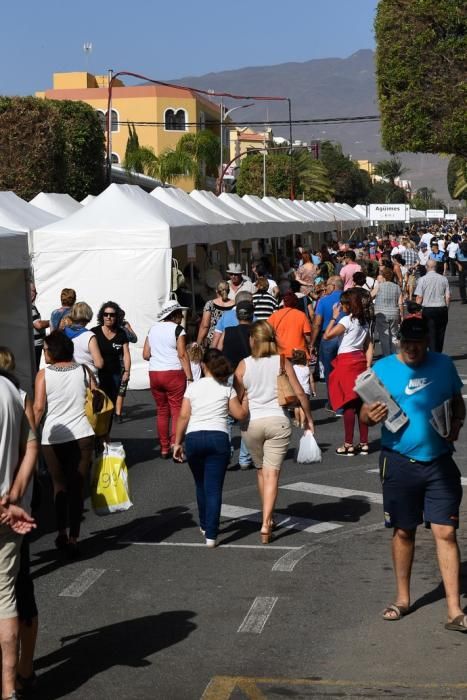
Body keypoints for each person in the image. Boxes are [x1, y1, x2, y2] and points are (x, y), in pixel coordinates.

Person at [360, 317, 467, 632]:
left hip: (439, 462)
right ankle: (402, 598)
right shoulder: (383, 369)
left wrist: (456, 424)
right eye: (407, 342)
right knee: (404, 531)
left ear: (426, 343)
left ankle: (454, 610)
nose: (413, 348)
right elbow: (365, 414)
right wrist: (370, 414)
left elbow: (458, 405)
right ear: (399, 341)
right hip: (399, 461)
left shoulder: (443, 366)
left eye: (418, 343)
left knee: (445, 532)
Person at [234, 321, 314, 544]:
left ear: (253, 340)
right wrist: (308, 418)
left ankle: (266, 516)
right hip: (278, 421)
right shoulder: (281, 361)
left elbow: (237, 397)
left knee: (261, 471)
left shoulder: (243, 365)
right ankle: (266, 523)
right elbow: (299, 392)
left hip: (252, 424)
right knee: (272, 474)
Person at [173, 349, 248, 547]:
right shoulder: (226, 388)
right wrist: (246, 399)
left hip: (194, 437)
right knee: (214, 488)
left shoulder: (193, 388)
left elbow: (183, 416)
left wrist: (177, 443)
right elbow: (240, 415)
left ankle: (205, 524)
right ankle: (211, 536)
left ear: (204, 365)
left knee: (200, 484)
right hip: (218, 437)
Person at [33, 331, 95, 557]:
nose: (44, 353)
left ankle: (61, 532)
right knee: (77, 486)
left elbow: (39, 408)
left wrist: (29, 434)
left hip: (53, 437)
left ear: (54, 351)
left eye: (46, 349)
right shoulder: (84, 371)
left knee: (59, 486)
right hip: (83, 434)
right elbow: (96, 399)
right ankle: (74, 537)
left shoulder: (43, 375)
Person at [0, 353, 39, 696]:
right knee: (9, 596)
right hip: (10, 511)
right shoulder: (12, 391)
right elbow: (32, 444)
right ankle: (11, 684)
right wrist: (14, 493)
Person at [143, 300, 193, 459]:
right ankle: (175, 444)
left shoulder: (152, 329)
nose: (181, 317)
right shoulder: (179, 330)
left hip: (155, 372)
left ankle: (164, 447)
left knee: (162, 410)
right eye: (179, 314)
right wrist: (190, 377)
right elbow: (182, 355)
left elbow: (145, 354)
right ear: (174, 315)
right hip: (173, 372)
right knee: (177, 409)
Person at [324, 290, 370, 455]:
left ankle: (348, 443)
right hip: (360, 360)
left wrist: (333, 317)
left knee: (348, 403)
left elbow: (327, 336)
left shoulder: (346, 320)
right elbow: (368, 344)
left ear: (348, 305)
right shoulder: (364, 321)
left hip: (346, 361)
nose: (341, 307)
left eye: (343, 304)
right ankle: (364, 442)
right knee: (360, 402)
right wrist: (369, 364)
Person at [309, 276, 344, 412]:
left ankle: (334, 403)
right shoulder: (349, 298)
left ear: (333, 286)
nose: (326, 288)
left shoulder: (323, 301)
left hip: (328, 337)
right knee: (343, 370)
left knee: (330, 372)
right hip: (345, 337)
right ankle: (345, 401)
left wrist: (312, 342)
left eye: (327, 285)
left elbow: (317, 323)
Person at [415, 259, 450, 352]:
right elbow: (448, 297)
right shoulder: (443, 279)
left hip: (428, 309)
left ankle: (433, 354)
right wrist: (446, 308)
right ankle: (438, 353)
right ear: (436, 267)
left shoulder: (422, 280)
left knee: (431, 334)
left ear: (426, 267)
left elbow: (419, 297)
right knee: (441, 334)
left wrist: (416, 312)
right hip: (441, 308)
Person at [267, 291, 312, 360]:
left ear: (284, 303)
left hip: (280, 353)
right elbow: (307, 337)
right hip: (299, 354)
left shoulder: (275, 315)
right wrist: (310, 345)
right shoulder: (302, 315)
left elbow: (266, 332)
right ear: (296, 303)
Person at [64, 302, 104, 378]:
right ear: (88, 316)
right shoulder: (89, 336)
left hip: (68, 378)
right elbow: (99, 364)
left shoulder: (63, 333)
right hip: (87, 379)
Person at [373, 268, 404, 357]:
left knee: (384, 336)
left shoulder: (379, 286)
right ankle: (395, 355)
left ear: (383, 277)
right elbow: (400, 303)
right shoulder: (397, 287)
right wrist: (401, 316)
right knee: (394, 335)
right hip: (394, 313)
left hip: (381, 313)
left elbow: (370, 296)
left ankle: (387, 357)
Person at [114, 315, 138, 423]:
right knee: (121, 389)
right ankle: (117, 414)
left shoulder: (115, 327)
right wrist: (128, 327)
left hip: (119, 362)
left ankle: (116, 413)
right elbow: (134, 338)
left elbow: (134, 339)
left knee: (119, 388)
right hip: (121, 362)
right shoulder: (123, 328)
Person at [196, 281, 235, 347]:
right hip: (230, 339)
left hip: (213, 341)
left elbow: (205, 326)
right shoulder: (235, 305)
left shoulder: (210, 304)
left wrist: (198, 343)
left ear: (216, 291)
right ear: (229, 291)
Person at [30, 283, 49, 371]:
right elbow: (38, 325)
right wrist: (51, 321)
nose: (36, 293)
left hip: (36, 344)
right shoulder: (30, 308)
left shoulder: (31, 306)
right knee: (35, 369)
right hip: (35, 345)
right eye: (34, 291)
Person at [291, 349, 312, 428]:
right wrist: (313, 391)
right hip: (306, 390)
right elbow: (312, 381)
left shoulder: (293, 368)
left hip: (296, 390)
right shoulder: (307, 369)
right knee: (303, 407)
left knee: (296, 407)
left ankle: (297, 421)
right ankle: (303, 423)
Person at [455, 239, 467, 303]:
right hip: (461, 268)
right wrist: (458, 264)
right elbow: (455, 260)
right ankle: (464, 298)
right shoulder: (458, 251)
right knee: (462, 284)